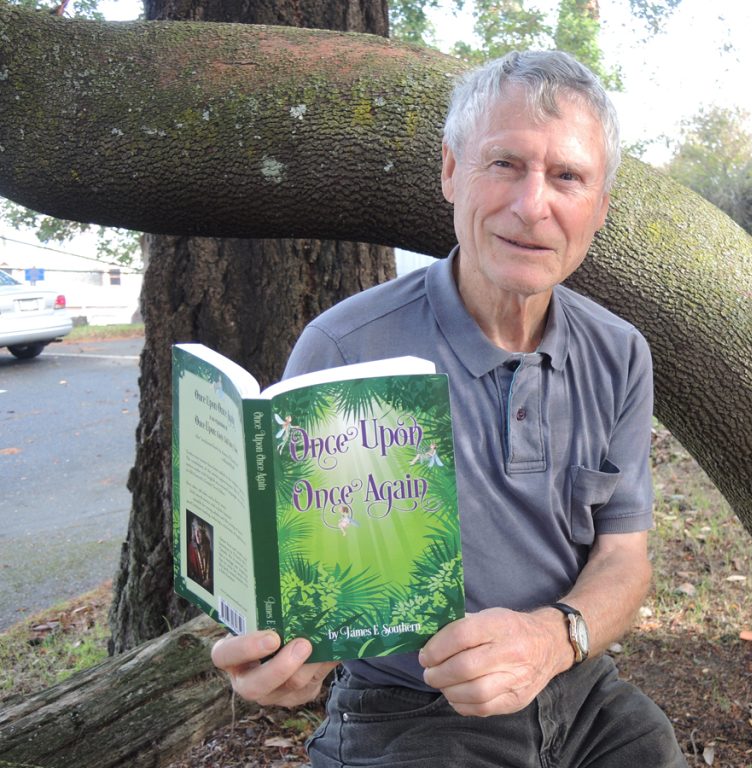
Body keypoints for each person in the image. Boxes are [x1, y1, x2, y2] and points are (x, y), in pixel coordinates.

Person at [211, 49, 687, 768]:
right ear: (448, 172)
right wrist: (286, 658)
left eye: (567, 176)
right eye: (504, 164)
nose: (533, 206)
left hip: (580, 689)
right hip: (409, 711)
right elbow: (309, 594)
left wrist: (551, 640)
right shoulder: (345, 351)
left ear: (598, 208)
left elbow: (625, 557)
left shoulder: (620, 353)